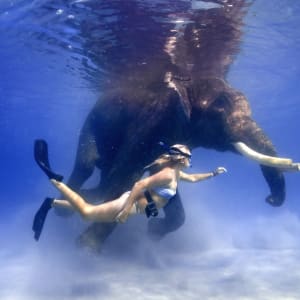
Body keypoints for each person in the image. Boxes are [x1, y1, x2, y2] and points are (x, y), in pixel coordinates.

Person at [32, 140, 227, 241]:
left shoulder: (176, 173)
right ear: (180, 158)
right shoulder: (168, 174)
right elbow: (139, 185)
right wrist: (125, 211)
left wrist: (213, 174)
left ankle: (51, 203)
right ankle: (55, 182)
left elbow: (193, 178)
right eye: (189, 157)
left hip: (133, 204)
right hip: (128, 204)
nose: (190, 161)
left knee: (90, 208)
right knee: (86, 213)